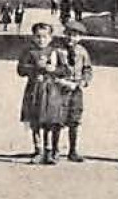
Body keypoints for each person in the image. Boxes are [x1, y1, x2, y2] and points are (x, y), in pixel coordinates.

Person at [17, 22, 59, 164]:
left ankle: (49, 151)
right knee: (35, 120)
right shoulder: (29, 52)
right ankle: (38, 150)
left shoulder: (55, 52)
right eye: (38, 37)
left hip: (50, 91)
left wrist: (53, 70)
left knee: (48, 120)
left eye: (45, 37)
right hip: (34, 90)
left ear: (51, 38)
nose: (41, 40)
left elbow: (65, 70)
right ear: (33, 37)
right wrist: (34, 69)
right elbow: (21, 70)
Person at [55, 19, 94, 161]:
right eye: (69, 34)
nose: (72, 38)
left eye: (76, 35)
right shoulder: (58, 51)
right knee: (57, 119)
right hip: (60, 88)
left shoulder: (82, 52)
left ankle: (73, 151)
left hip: (76, 89)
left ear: (80, 37)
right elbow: (53, 69)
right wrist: (60, 81)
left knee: (75, 119)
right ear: (65, 34)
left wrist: (83, 82)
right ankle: (55, 150)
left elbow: (88, 69)